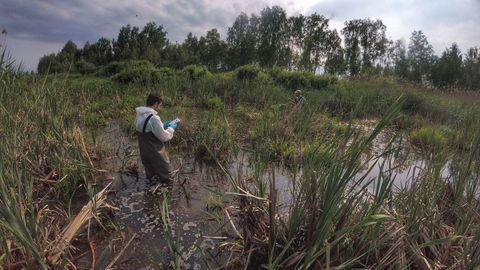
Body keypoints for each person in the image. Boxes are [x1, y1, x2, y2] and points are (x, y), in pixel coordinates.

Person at [135, 94, 178, 183]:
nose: (159, 107)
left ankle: (150, 192)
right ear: (155, 104)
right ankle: (166, 194)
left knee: (151, 175)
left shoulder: (139, 114)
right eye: (159, 105)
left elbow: (145, 127)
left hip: (143, 150)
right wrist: (171, 128)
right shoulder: (153, 118)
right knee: (167, 175)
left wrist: (162, 125)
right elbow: (164, 137)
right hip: (154, 151)